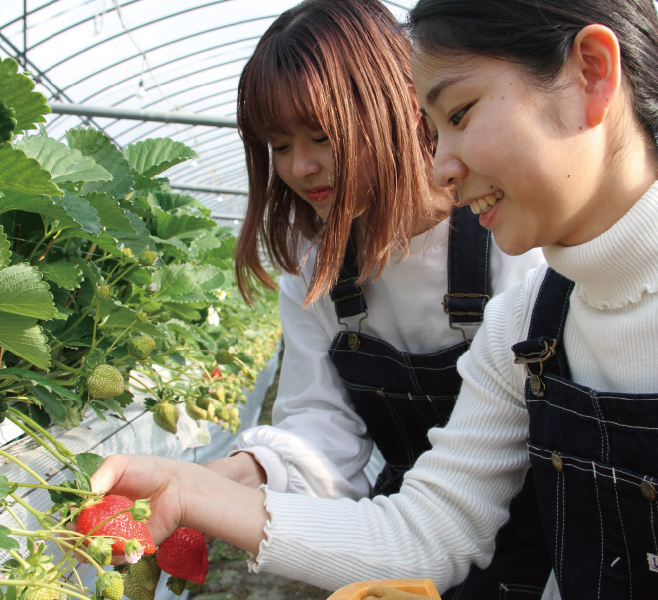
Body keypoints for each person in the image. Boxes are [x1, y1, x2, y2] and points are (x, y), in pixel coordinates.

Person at [90, 0, 658, 598]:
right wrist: (210, 482)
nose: (443, 164)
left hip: (534, 544)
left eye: (458, 115)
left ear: (592, 73)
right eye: (279, 146)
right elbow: (430, 525)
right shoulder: (526, 326)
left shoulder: (520, 258)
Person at [203, 1, 548, 598]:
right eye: (278, 145)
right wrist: (243, 471)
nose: (300, 167)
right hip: (409, 536)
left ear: (393, 109)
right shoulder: (315, 265)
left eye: (320, 136)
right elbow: (323, 418)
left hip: (542, 540)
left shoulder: (509, 238)